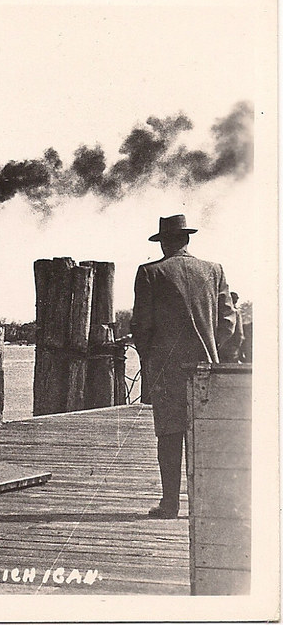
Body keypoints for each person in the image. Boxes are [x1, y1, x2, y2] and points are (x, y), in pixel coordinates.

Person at [131, 214, 237, 519]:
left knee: (169, 435)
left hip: (167, 370)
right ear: (187, 239)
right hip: (206, 368)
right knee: (201, 435)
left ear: (165, 241)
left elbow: (141, 325)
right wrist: (211, 349)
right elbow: (228, 321)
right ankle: (202, 506)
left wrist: (149, 358)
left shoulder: (151, 272)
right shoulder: (214, 270)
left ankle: (170, 504)